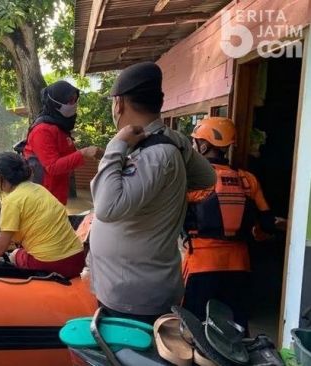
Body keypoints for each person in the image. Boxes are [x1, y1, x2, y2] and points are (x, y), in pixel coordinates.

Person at [89, 62, 216, 324]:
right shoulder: (159, 146)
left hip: (135, 298)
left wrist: (116, 146)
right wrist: (178, 143)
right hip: (128, 290)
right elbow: (206, 177)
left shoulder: (155, 153)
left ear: (119, 103)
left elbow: (107, 207)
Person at [182, 117, 284, 329]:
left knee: (194, 329)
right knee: (235, 328)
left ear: (204, 145)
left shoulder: (193, 179)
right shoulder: (248, 179)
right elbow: (266, 222)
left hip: (201, 262)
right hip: (239, 264)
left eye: (195, 142)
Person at [0, 152, 86, 278]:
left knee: (15, 254)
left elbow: (0, 247)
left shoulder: (12, 200)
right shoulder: (38, 189)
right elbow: (3, 240)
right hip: (77, 259)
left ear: (0, 177)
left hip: (54, 263)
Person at [23, 80, 104, 205]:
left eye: (75, 100)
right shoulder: (42, 130)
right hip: (43, 197)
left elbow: (68, 158)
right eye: (69, 101)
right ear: (55, 102)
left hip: (57, 193)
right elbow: (52, 167)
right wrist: (83, 153)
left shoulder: (61, 127)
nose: (73, 104)